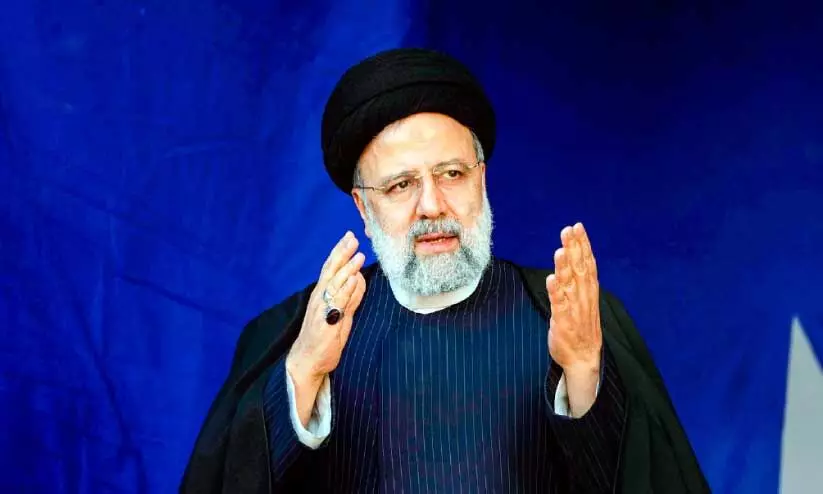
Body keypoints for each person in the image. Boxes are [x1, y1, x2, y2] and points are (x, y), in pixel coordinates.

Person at [180, 48, 709, 493]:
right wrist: (300, 377)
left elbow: (641, 478)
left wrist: (586, 375)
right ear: (364, 207)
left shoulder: (572, 318)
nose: (431, 205)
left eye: (451, 174)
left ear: (482, 179)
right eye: (401, 185)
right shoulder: (297, 334)